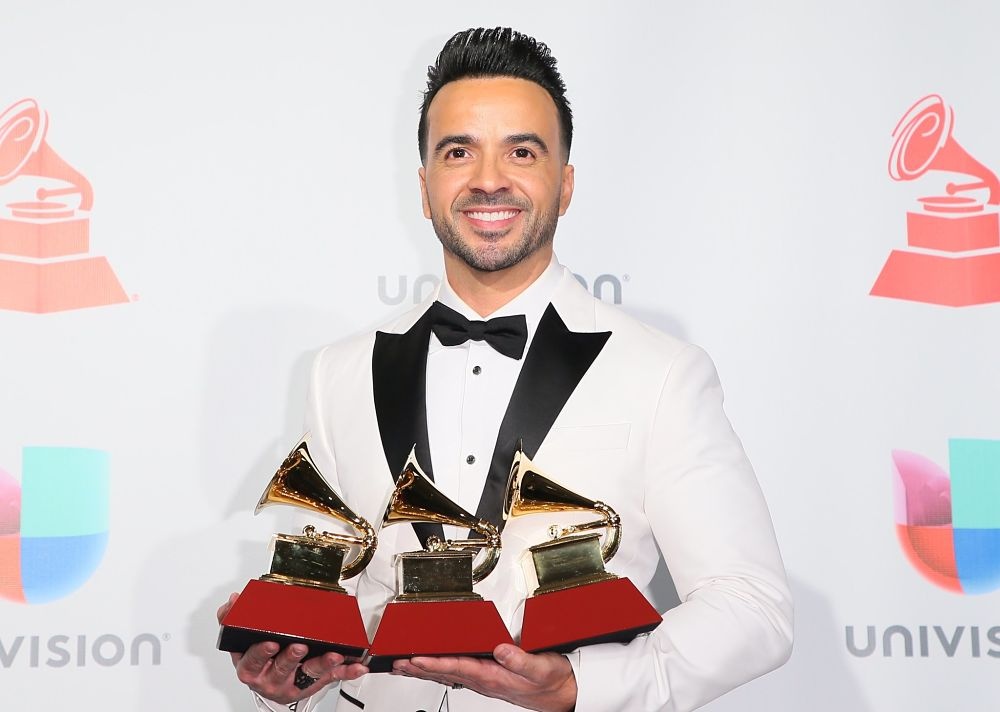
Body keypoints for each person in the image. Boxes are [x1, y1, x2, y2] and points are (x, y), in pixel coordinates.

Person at [217, 26, 793, 712]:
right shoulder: (335, 372)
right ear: (426, 187)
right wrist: (291, 684)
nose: (489, 178)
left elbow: (752, 606)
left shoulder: (662, 372)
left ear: (566, 183)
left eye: (522, 150)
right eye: (459, 151)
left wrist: (587, 688)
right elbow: (340, 610)